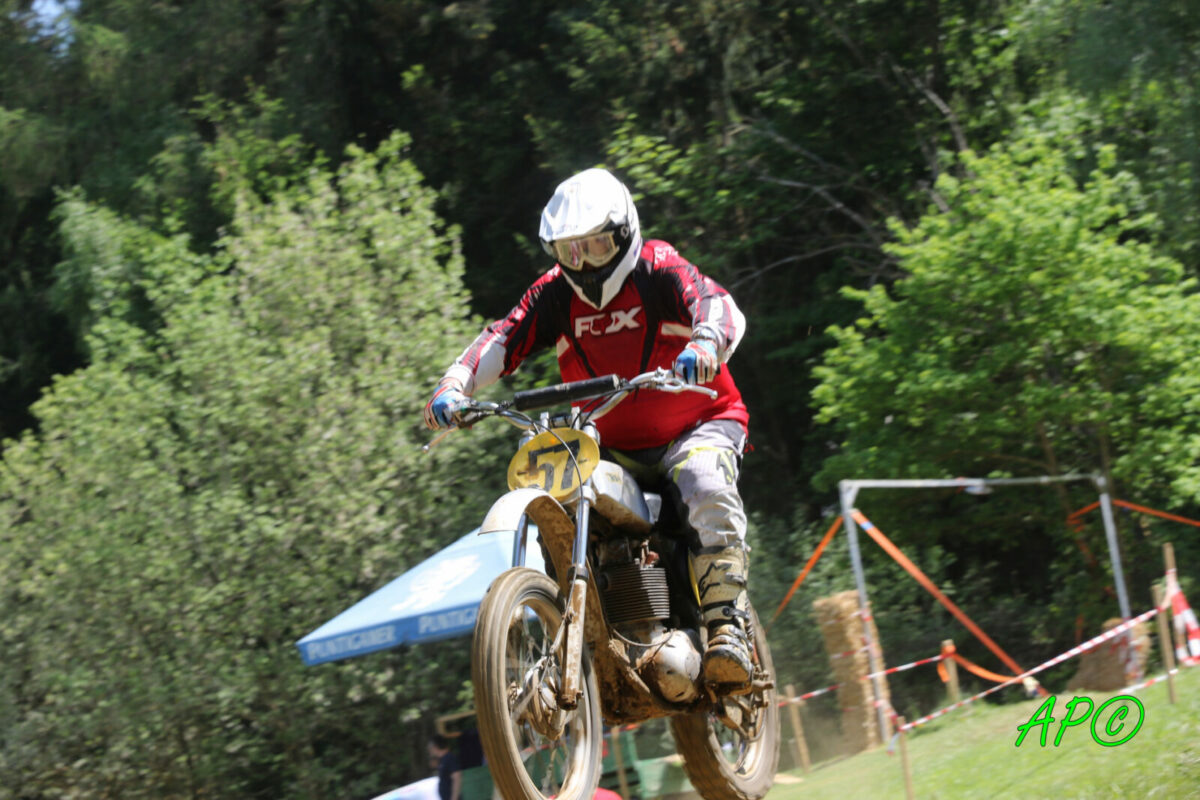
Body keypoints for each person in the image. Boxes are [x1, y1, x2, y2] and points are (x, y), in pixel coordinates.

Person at [424, 168, 753, 686]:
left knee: (703, 479)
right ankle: (582, 630)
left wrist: (706, 342)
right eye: (570, 251)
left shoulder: (658, 267)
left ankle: (727, 625)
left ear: (624, 234)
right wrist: (454, 384)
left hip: (698, 423)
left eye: (597, 246)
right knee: (564, 496)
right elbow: (503, 337)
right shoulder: (554, 293)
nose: (585, 264)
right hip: (611, 444)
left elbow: (717, 304)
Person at [428, 734, 461, 800]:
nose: (429, 750)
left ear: (435, 747)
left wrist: (454, 798)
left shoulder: (449, 758)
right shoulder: (442, 760)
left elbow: (457, 778)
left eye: (430, 748)